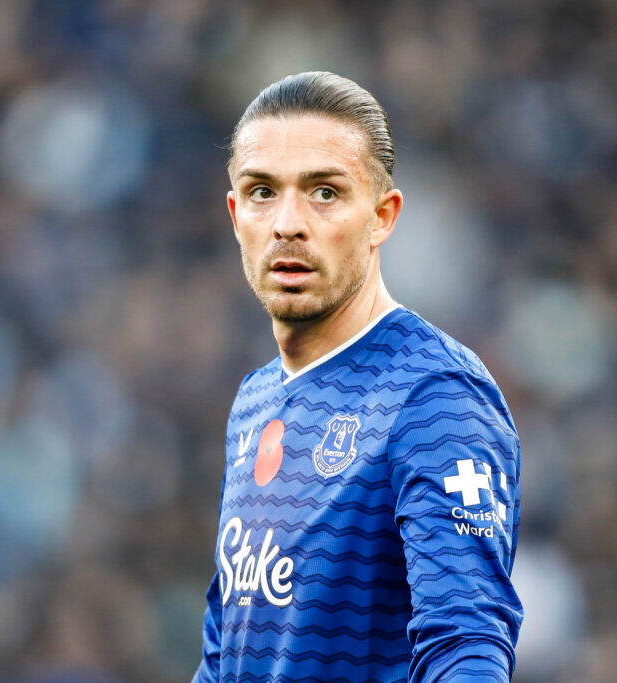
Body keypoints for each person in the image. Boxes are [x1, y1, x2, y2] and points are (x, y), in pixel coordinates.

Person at [192, 71, 523, 683]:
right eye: (263, 192)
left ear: (381, 217)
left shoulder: (434, 397)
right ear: (236, 215)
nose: (288, 222)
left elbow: (466, 642)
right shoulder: (255, 401)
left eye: (323, 193)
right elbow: (225, 655)